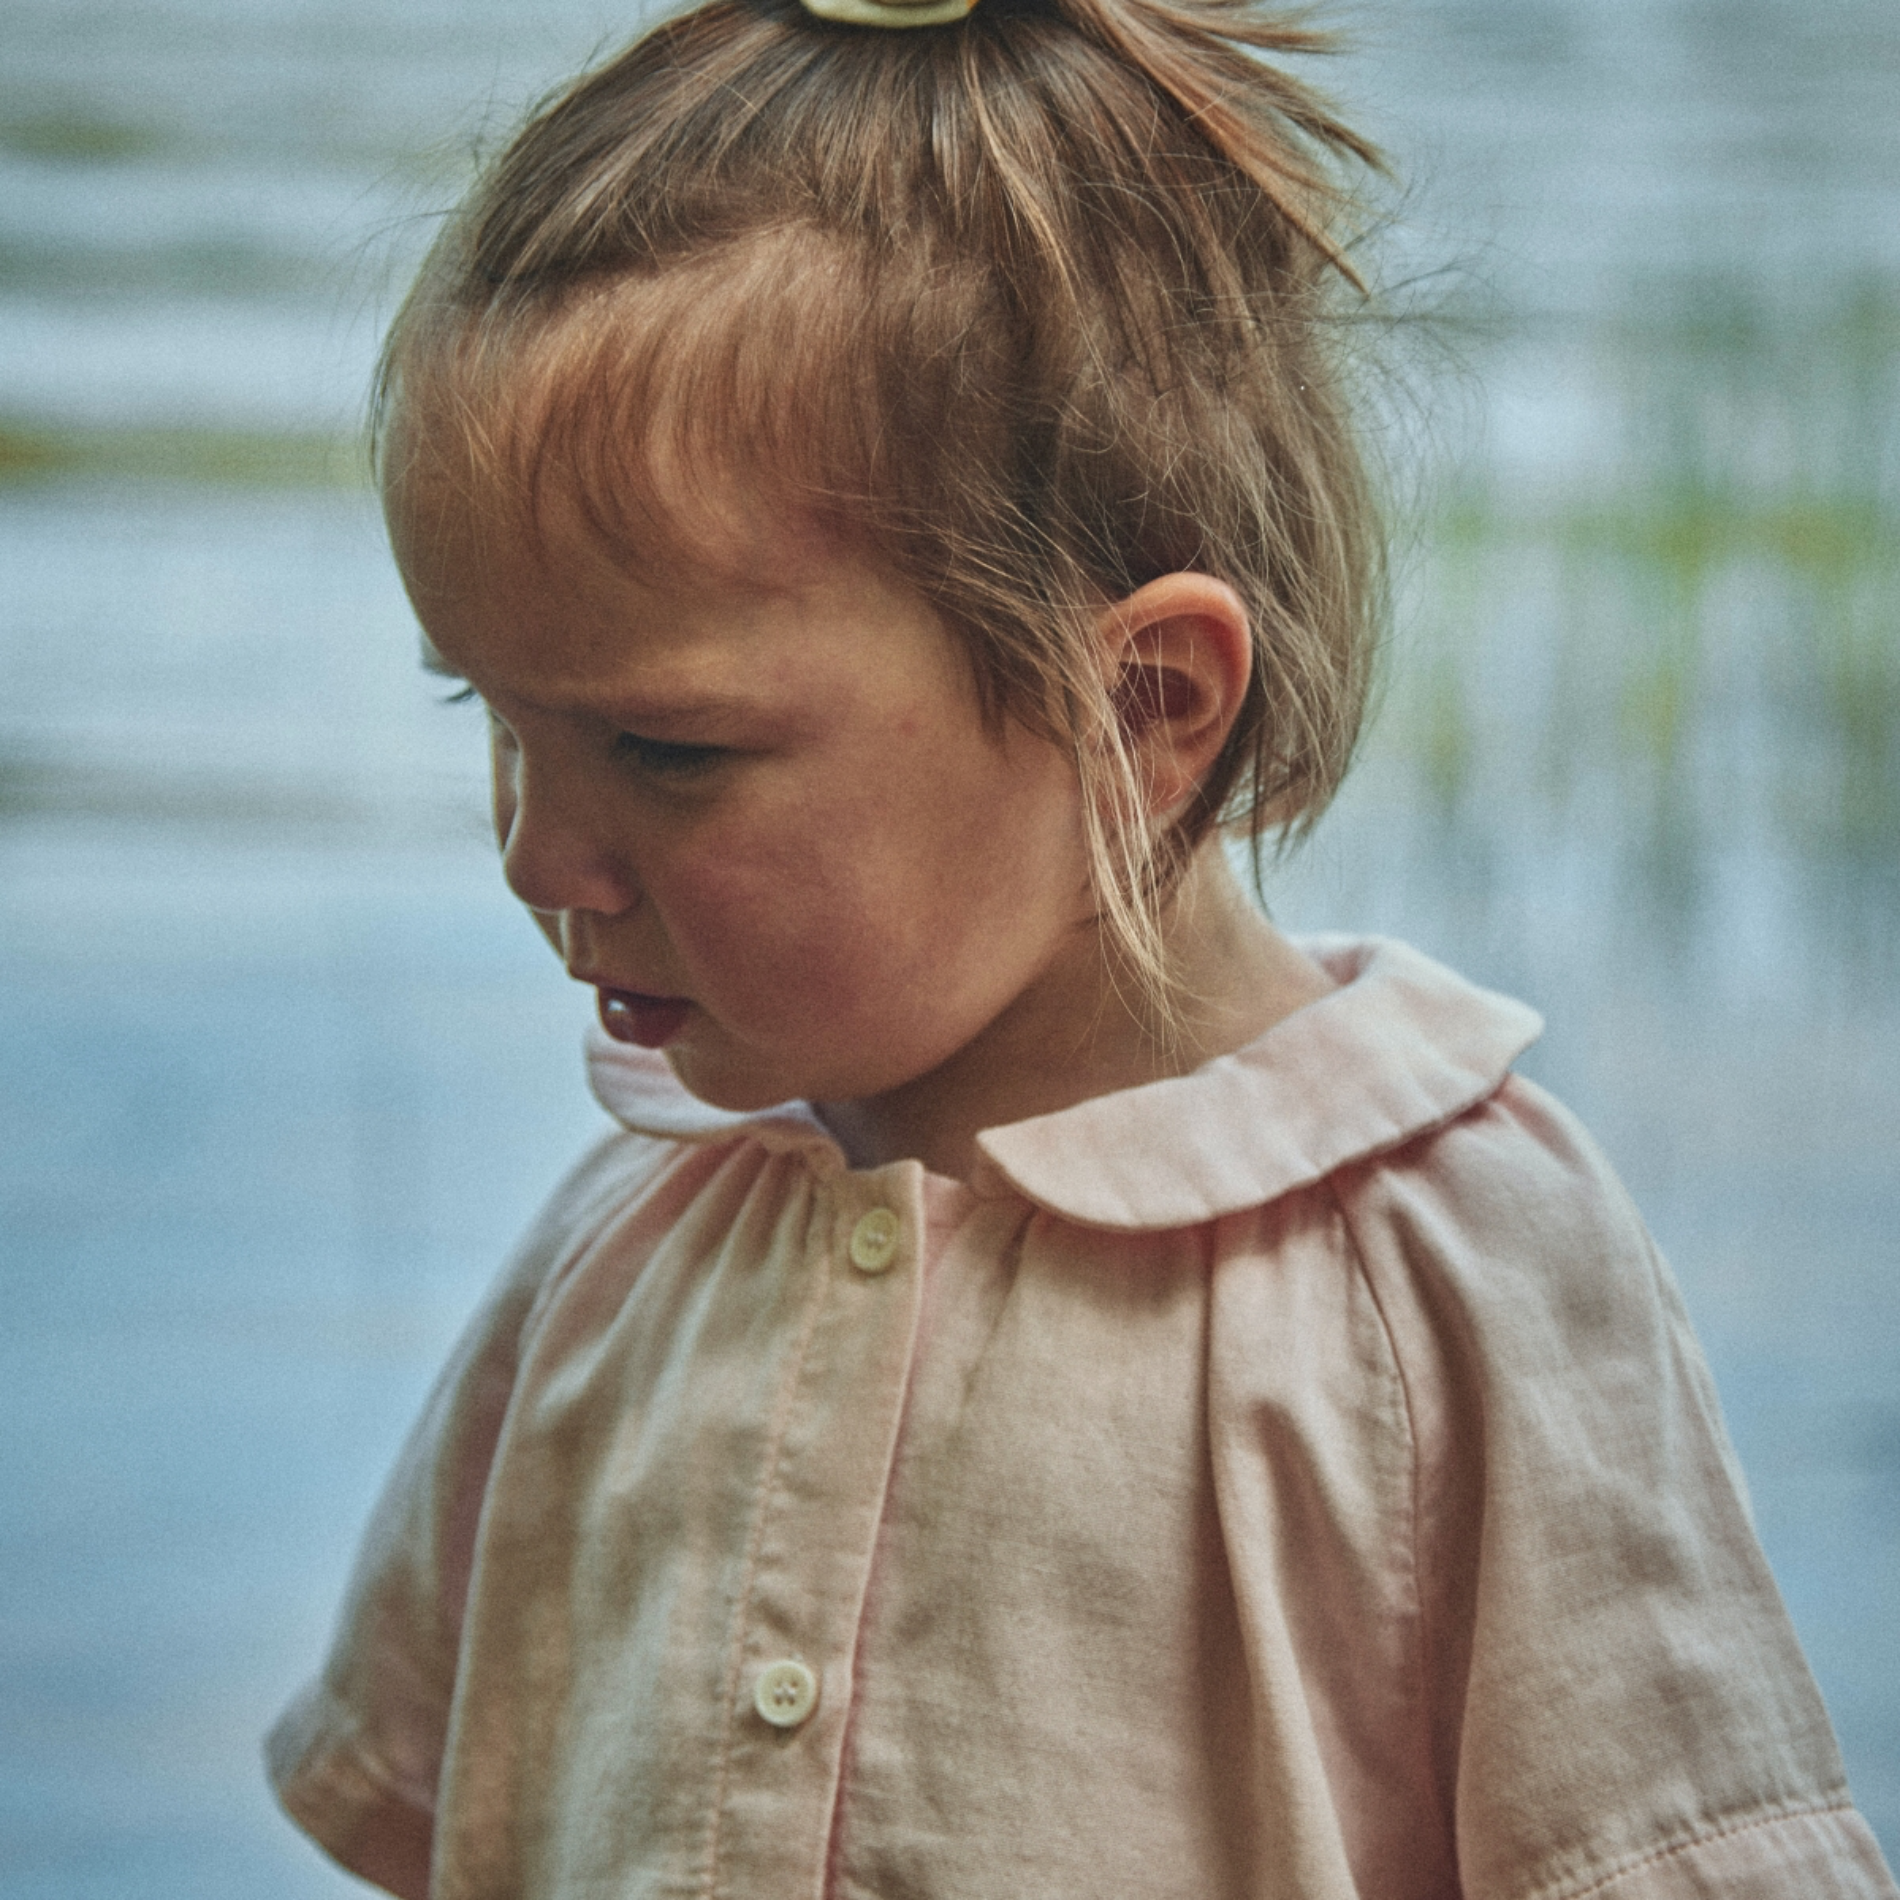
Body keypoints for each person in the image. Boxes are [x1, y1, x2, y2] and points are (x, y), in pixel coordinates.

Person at [265, 0, 1898, 1892]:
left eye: (665, 751)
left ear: (1139, 706)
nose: (542, 856)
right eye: (496, 721)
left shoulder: (1445, 1284)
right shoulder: (629, 1246)